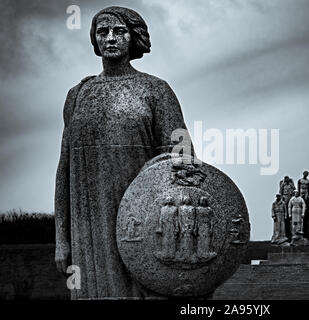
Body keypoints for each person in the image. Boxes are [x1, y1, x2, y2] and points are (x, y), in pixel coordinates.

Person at [54, 6, 192, 299]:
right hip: (88, 227)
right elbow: (64, 169)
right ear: (95, 40)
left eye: (119, 31)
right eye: (103, 32)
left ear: (133, 38)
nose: (111, 38)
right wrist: (61, 238)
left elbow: (183, 163)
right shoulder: (78, 95)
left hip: (140, 221)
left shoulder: (155, 90)